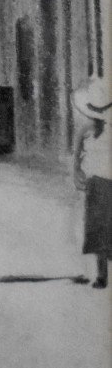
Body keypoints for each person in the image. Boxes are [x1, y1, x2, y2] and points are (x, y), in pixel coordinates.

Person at [72, 75, 112, 289]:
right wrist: (77, 171)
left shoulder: (86, 130)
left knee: (101, 229)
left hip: (99, 183)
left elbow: (77, 158)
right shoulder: (85, 130)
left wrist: (77, 171)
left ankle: (102, 276)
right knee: (100, 229)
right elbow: (77, 157)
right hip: (97, 183)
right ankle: (102, 275)